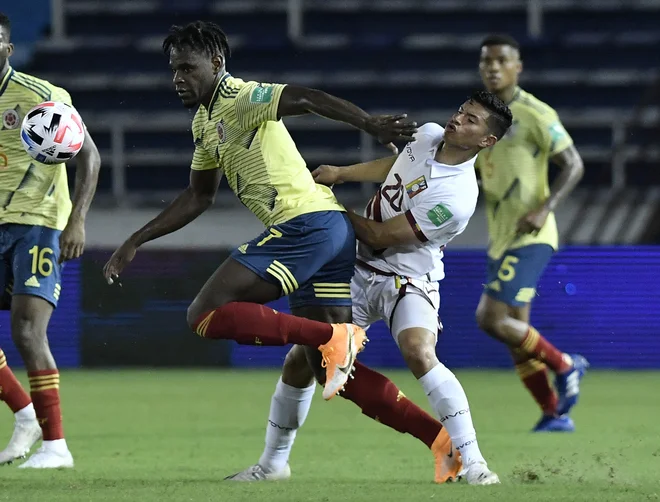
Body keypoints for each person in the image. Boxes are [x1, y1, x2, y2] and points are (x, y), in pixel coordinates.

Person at [101, 21, 462, 476]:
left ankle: (332, 338)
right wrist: (136, 239)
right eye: (174, 70)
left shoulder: (241, 97)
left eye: (187, 68)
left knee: (204, 314)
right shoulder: (204, 122)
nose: (178, 79)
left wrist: (367, 123)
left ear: (216, 64)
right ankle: (442, 441)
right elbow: (199, 195)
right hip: (328, 235)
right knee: (329, 372)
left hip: (305, 226)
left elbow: (305, 98)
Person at [226, 91, 512, 485]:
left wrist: (325, 207)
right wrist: (342, 174)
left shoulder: (458, 198)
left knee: (418, 351)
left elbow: (379, 235)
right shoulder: (428, 134)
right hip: (359, 270)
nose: (457, 119)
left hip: (407, 279)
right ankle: (273, 464)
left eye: (471, 121)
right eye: (461, 111)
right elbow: (397, 166)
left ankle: (473, 460)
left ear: (487, 141)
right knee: (301, 361)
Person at [0, 12, 101, 468]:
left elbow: (90, 155)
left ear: (8, 48)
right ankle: (25, 413)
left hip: (37, 223)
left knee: (26, 328)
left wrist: (77, 221)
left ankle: (56, 446)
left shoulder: (41, 97)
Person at [474, 34, 588, 432]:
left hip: (532, 235)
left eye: (501, 60)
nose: (492, 67)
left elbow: (573, 165)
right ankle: (555, 414)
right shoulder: (481, 118)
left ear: (517, 67)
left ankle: (566, 364)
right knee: (516, 333)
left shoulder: (536, 113)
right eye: (486, 61)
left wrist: (545, 208)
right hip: (500, 239)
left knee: (490, 318)